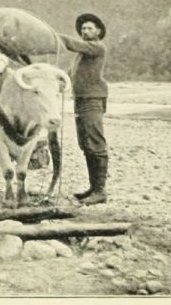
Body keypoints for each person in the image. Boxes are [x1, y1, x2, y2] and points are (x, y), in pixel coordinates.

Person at [59, 13, 110, 205]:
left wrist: (51, 35)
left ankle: (100, 191)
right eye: (83, 29)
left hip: (93, 99)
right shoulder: (82, 54)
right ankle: (93, 188)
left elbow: (72, 44)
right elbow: (71, 74)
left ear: (98, 31)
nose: (85, 31)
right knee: (86, 144)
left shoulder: (96, 48)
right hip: (80, 100)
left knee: (96, 142)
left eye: (89, 28)